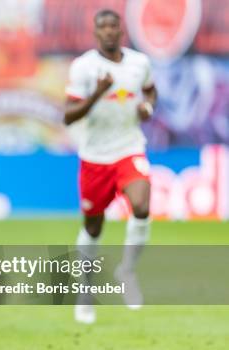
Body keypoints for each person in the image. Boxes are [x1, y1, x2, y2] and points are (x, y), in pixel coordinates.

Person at [64, 9, 157, 324]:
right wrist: (98, 94)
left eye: (113, 26)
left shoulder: (139, 63)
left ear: (121, 30)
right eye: (101, 27)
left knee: (142, 206)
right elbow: (69, 115)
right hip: (94, 157)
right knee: (93, 227)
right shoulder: (84, 68)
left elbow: (150, 90)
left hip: (129, 148)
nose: (108, 32)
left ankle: (126, 271)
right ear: (95, 32)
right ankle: (85, 291)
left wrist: (147, 106)